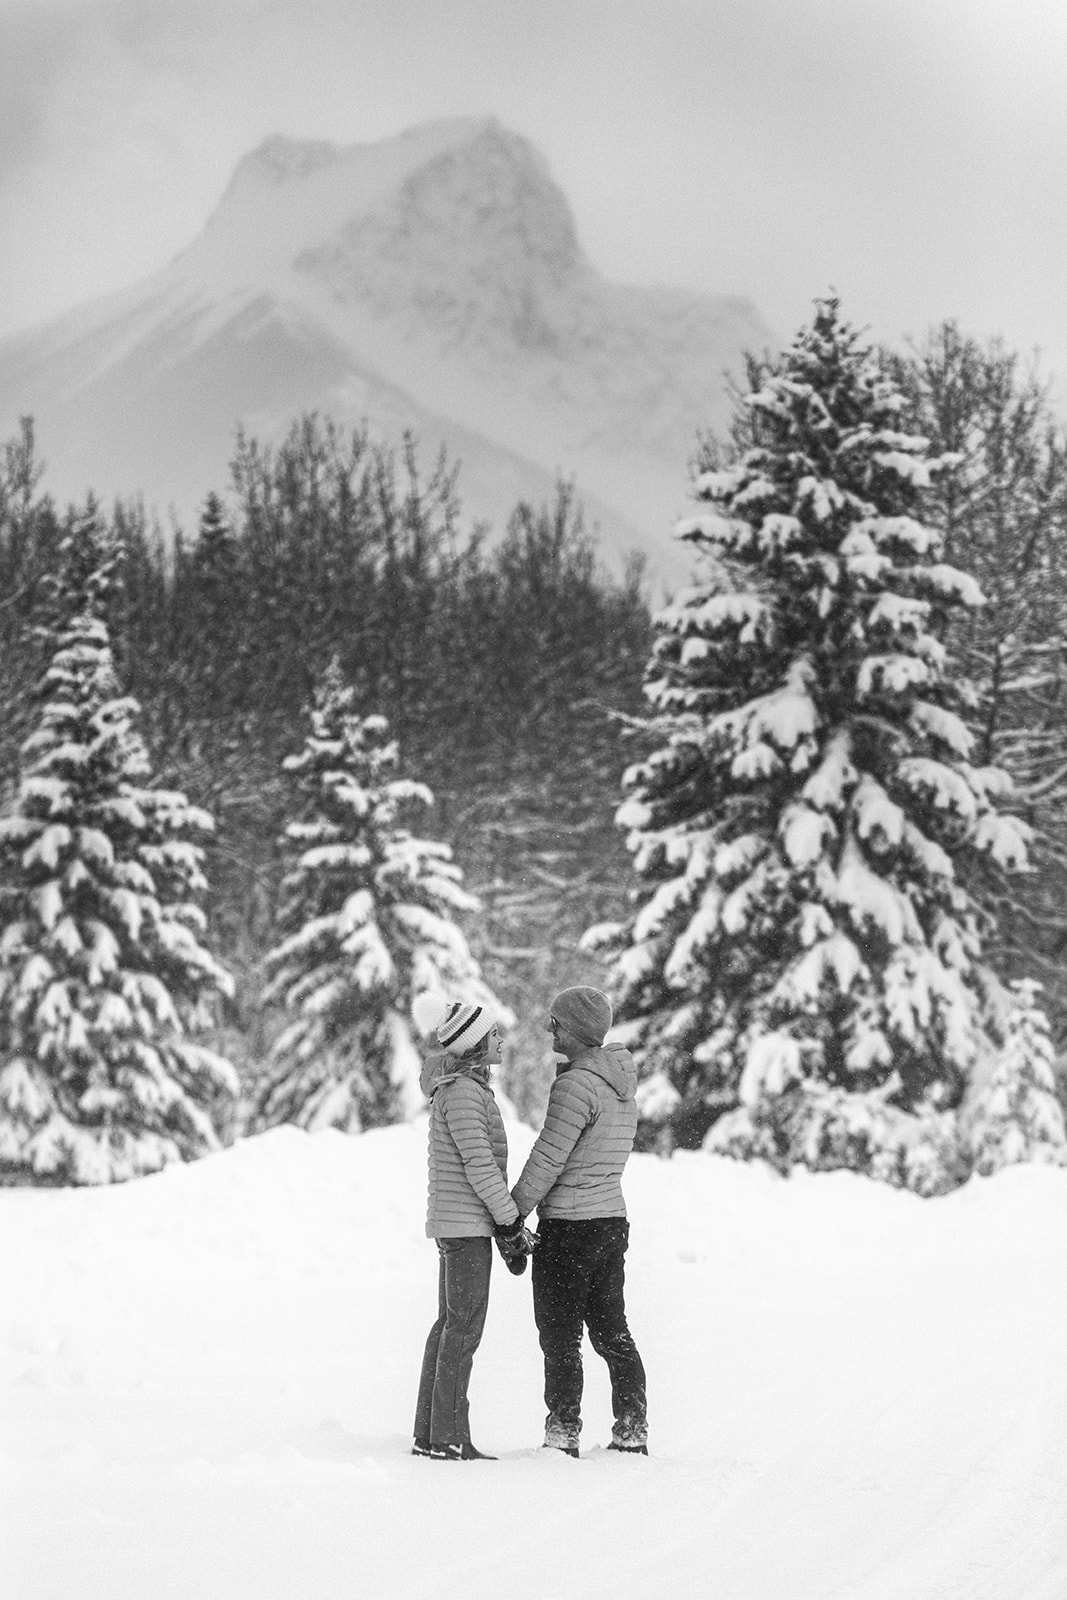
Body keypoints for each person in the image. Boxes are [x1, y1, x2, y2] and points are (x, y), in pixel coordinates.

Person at [512, 985, 648, 1458]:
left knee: (560, 1334)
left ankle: (562, 1431)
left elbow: (549, 1158)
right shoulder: (620, 1086)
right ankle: (632, 1427)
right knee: (612, 1329)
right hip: (610, 1221)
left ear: (577, 1030)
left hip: (570, 1226)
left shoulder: (576, 1086)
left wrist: (513, 1213)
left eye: (556, 1022)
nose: (550, 1028)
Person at [411, 993, 535, 1462]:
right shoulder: (463, 1092)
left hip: (458, 1224)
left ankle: (431, 1433)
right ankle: (447, 1437)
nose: (501, 1040)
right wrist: (509, 1221)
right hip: (465, 1228)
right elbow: (480, 1167)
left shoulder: (464, 1088)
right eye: (494, 1034)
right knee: (462, 1329)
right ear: (476, 1043)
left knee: (449, 1325)